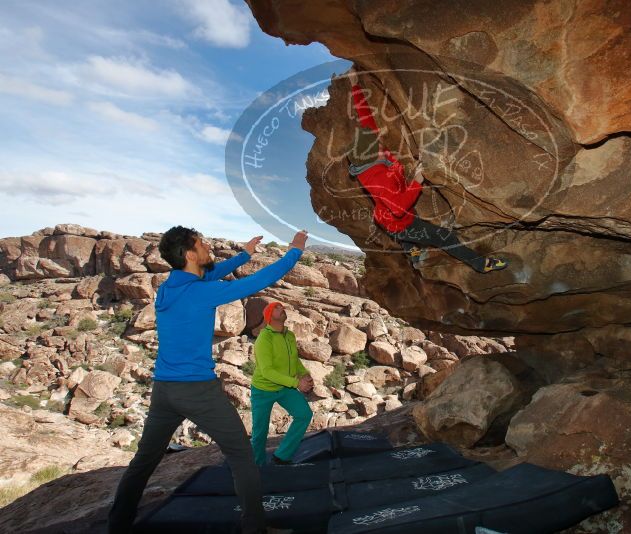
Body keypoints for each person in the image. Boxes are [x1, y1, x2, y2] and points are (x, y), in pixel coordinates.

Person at [107, 226, 308, 534]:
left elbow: (210, 275)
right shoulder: (201, 292)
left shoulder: (169, 287)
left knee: (144, 462)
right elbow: (259, 281)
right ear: (190, 254)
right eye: (201, 244)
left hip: (163, 391)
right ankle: (255, 529)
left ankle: (117, 525)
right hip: (197, 390)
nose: (207, 247)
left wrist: (244, 255)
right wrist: (294, 250)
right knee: (242, 456)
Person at [346, 68, 508, 273]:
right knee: (443, 237)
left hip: (388, 217)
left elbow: (366, 118)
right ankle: (480, 264)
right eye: (375, 146)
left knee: (406, 226)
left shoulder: (372, 155)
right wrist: (417, 181)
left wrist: (354, 85)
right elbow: (398, 208)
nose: (379, 144)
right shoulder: (378, 178)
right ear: (370, 157)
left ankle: (410, 248)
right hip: (400, 222)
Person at [250, 301, 313, 466]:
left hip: (285, 387)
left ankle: (282, 456)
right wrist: (296, 383)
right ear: (270, 316)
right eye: (277, 308)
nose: (282, 308)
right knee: (260, 433)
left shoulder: (289, 335)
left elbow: (294, 360)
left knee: (304, 414)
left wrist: (304, 374)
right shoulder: (264, 338)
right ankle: (257, 467)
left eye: (282, 307)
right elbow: (267, 372)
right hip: (263, 389)